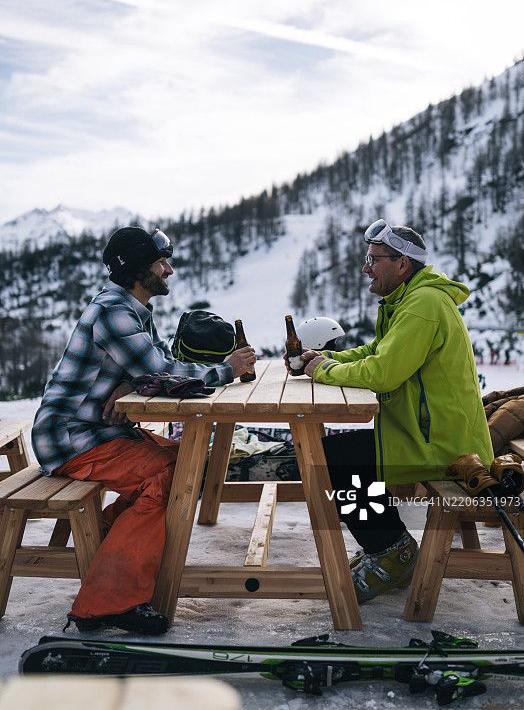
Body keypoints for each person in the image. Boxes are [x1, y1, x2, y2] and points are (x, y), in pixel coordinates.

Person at [31, 226, 256, 634]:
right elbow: (162, 369)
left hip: (97, 431)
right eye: (161, 263)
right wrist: (226, 369)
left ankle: (109, 541)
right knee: (168, 475)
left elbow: (151, 362)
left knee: (187, 462)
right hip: (71, 438)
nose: (169, 270)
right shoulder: (113, 312)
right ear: (137, 270)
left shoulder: (132, 309)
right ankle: (108, 603)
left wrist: (129, 382)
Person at [295, 219, 493, 604]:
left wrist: (324, 371)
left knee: (333, 459)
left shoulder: (423, 305)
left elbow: (383, 373)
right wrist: (328, 359)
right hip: (425, 434)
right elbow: (377, 352)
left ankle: (393, 552)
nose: (365, 267)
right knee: (337, 455)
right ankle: (385, 547)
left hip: (444, 448)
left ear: (402, 264)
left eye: (374, 259)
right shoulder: (408, 299)